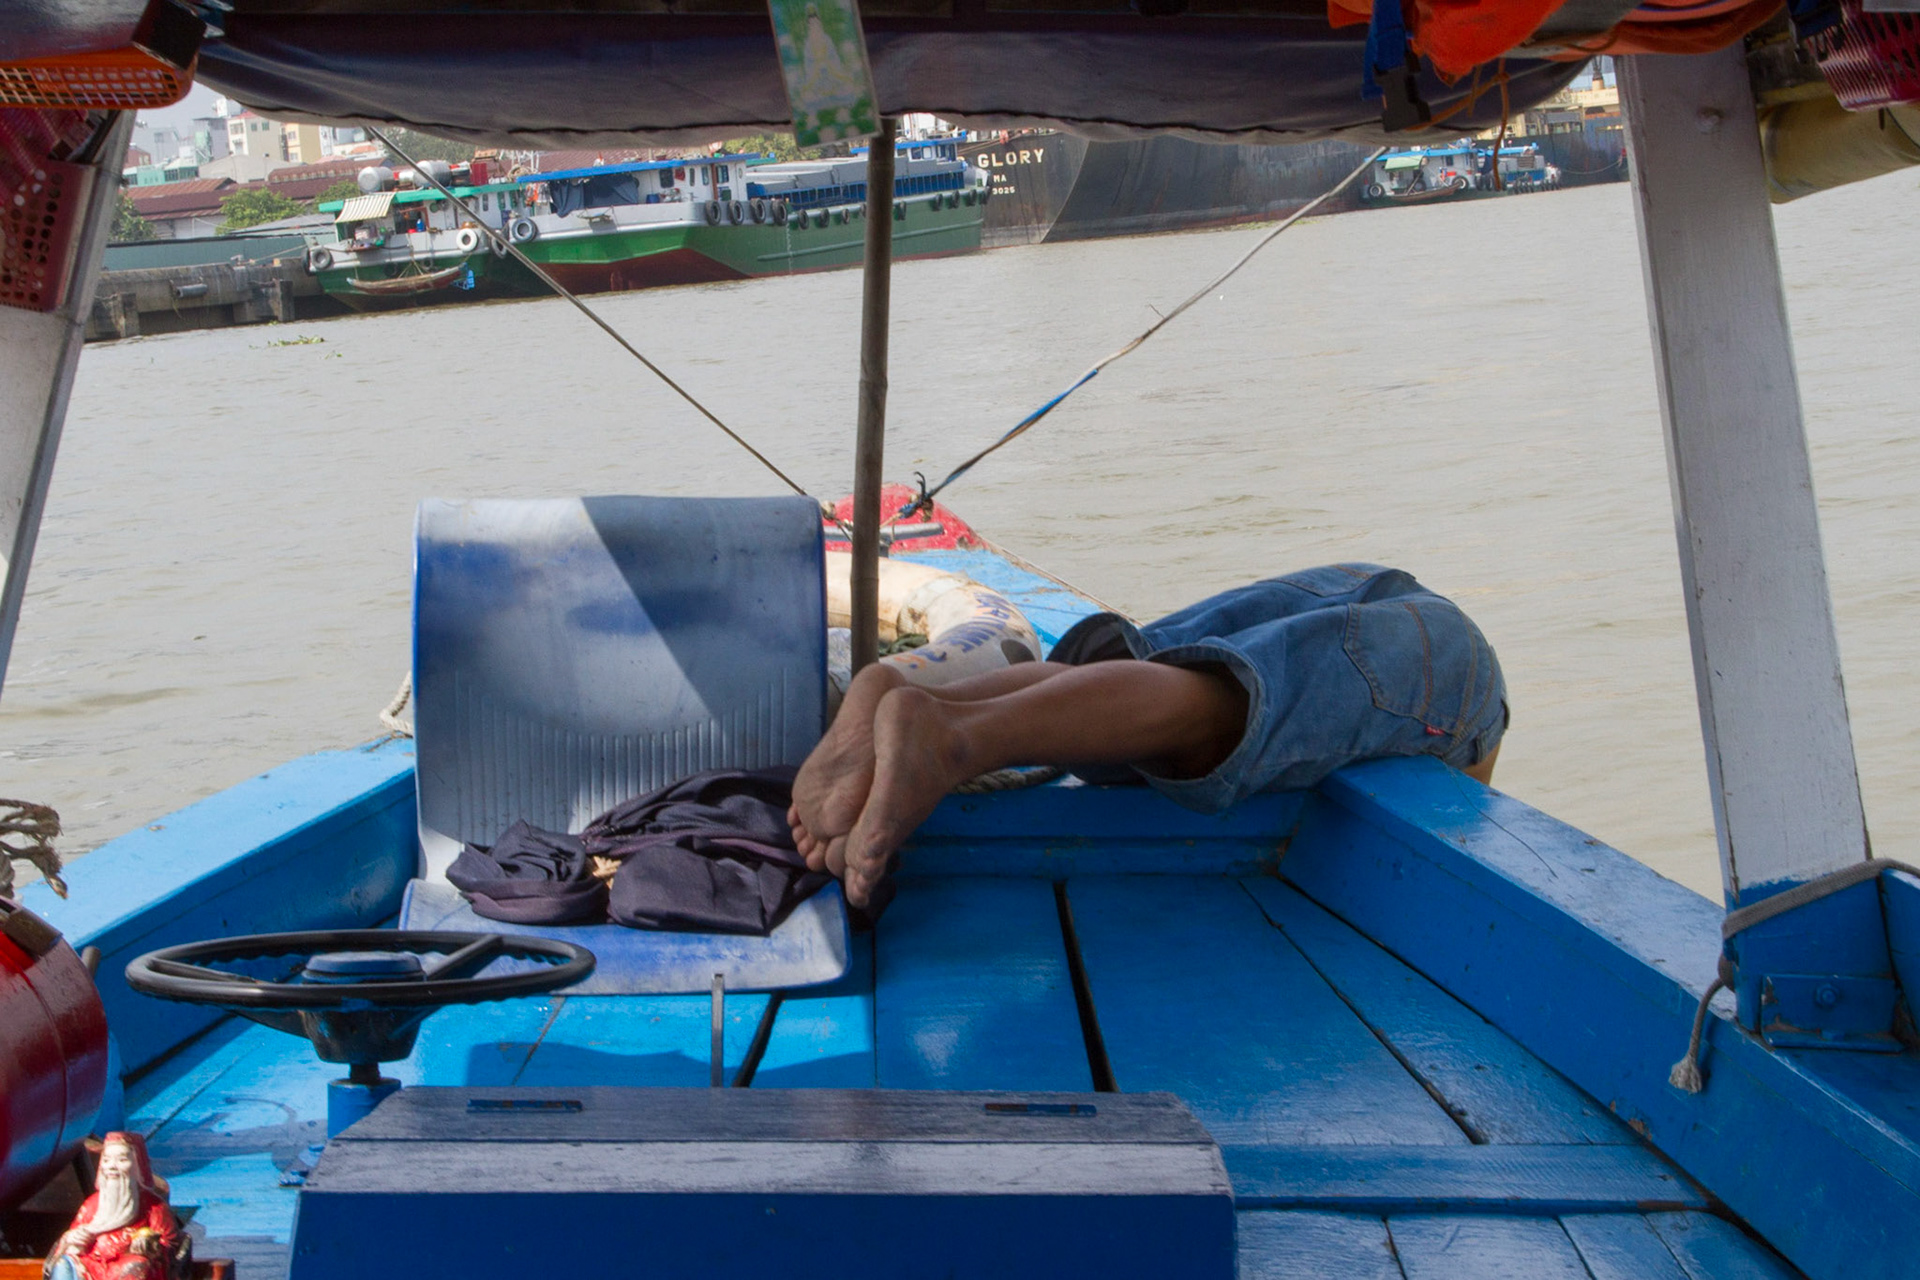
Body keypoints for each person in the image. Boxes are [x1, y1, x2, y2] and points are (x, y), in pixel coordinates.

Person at [790, 564, 1506, 909]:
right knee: (1221, 709)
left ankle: (918, 699)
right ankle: (950, 736)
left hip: (1367, 589)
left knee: (1144, 690)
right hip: (1450, 675)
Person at [46, 1131, 187, 1280]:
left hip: (126, 1266)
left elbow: (172, 1245)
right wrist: (72, 1239)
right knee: (64, 1264)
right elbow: (72, 1236)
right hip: (92, 1264)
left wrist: (151, 1245)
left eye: (122, 1160)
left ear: (136, 1165)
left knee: (138, 1265)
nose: (112, 1167)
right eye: (106, 1160)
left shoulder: (154, 1207)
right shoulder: (91, 1205)